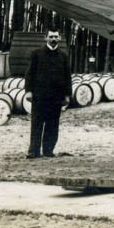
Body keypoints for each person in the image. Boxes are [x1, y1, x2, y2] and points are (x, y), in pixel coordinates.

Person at [24, 29, 71, 158]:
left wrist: (67, 95)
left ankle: (48, 150)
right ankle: (33, 151)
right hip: (39, 96)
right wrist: (28, 91)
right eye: (51, 37)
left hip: (56, 97)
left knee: (52, 124)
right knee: (37, 124)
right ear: (46, 38)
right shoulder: (36, 54)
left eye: (56, 36)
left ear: (59, 38)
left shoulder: (63, 56)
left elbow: (67, 77)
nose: (53, 39)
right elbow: (29, 74)